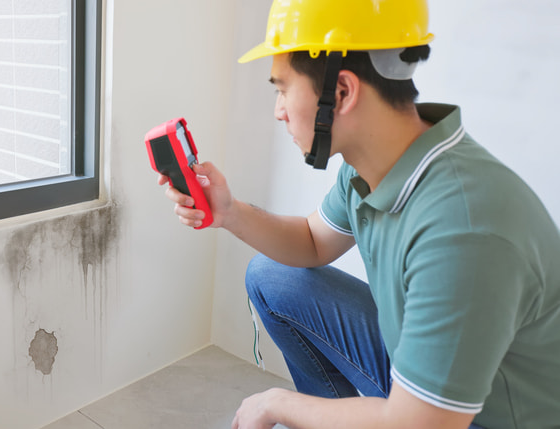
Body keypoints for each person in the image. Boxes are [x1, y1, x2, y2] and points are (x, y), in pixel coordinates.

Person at [156, 1, 560, 428]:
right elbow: (313, 241)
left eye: (281, 89)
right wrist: (230, 212)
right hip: (426, 379)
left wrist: (277, 403)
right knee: (272, 276)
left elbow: (422, 424)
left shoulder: (465, 230)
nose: (278, 110)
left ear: (342, 92)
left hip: (474, 416)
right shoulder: (371, 163)